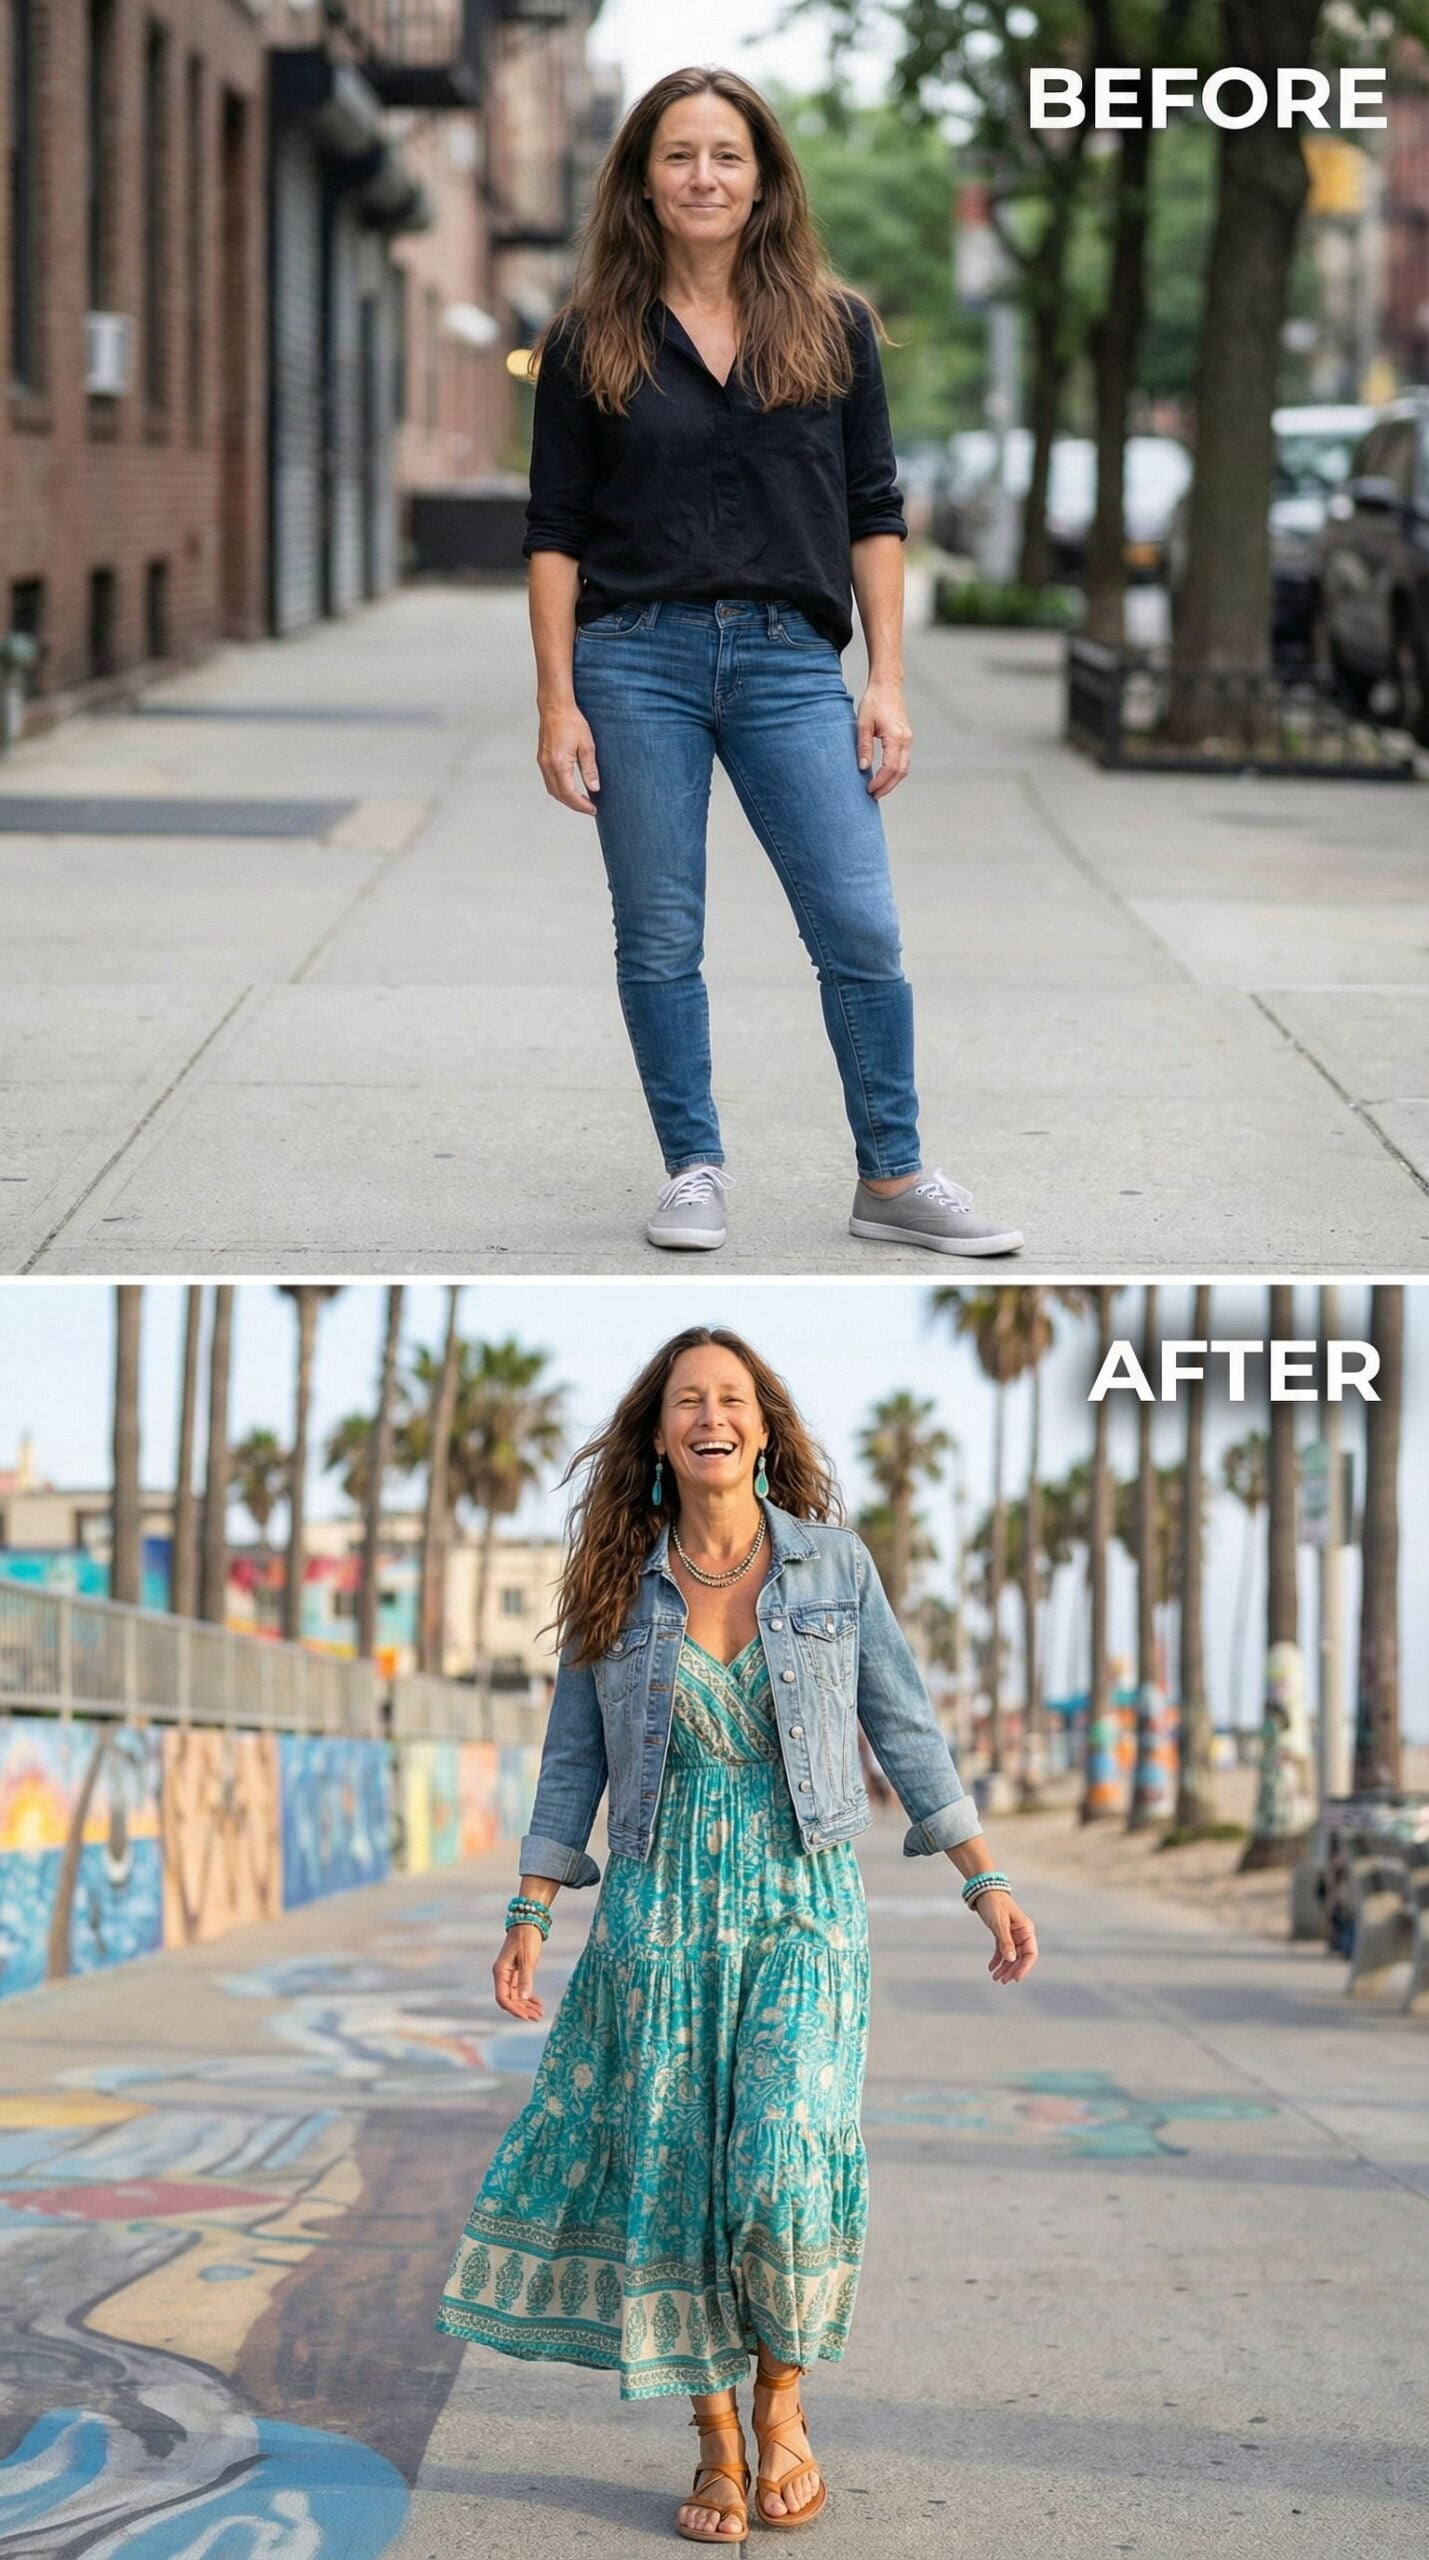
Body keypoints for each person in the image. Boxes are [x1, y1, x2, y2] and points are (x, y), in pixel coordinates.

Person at [436, 1325, 1039, 2541]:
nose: (711, 1414)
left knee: (776, 2161)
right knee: (676, 2180)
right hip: (658, 1916)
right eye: (685, 1400)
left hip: (801, 1902)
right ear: (658, 1436)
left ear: (763, 1426)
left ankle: (783, 2405)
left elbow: (906, 1730)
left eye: (732, 1397)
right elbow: (571, 1765)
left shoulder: (832, 1568)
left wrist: (984, 1877)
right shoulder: (614, 1583)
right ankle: (716, 2443)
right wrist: (530, 1909)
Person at [523, 66, 1024, 1262]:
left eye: (727, 155)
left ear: (763, 179)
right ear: (642, 180)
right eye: (680, 155)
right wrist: (555, 703)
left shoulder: (833, 325)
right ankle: (692, 1166)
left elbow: (874, 509)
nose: (704, 176)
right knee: (658, 932)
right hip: (632, 662)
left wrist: (886, 679)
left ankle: (892, 1175)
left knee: (858, 924)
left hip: (790, 664)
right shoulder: (588, 337)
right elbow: (554, 530)